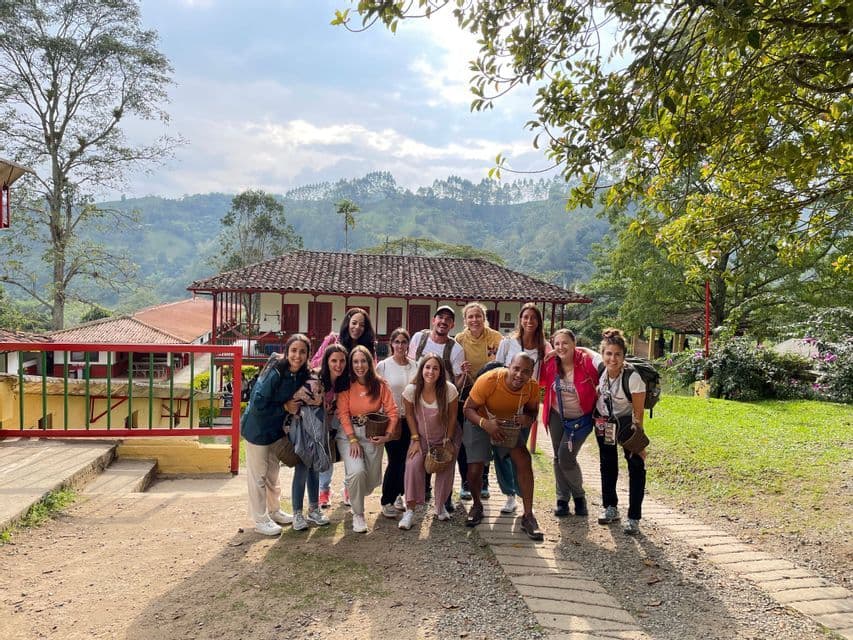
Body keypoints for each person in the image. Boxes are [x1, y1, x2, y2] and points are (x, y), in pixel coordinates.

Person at [462, 353, 544, 540]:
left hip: (506, 423)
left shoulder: (532, 387)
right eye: (516, 369)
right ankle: (476, 505)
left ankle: (528, 516)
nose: (519, 375)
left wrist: (527, 418)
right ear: (509, 366)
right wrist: (486, 424)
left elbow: (532, 411)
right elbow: (467, 409)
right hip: (480, 419)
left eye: (525, 372)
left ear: (531, 373)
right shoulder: (489, 380)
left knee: (524, 460)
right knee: (475, 467)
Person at [239, 334, 310, 536]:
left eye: (302, 351)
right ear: (287, 352)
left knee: (272, 474)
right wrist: (285, 407)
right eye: (293, 350)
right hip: (257, 429)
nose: (297, 355)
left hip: (274, 430)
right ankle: (261, 519)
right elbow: (258, 403)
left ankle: (274, 510)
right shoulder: (276, 372)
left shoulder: (301, 374)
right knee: (258, 475)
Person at [311, 307, 377, 506]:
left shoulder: (368, 348)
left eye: (362, 324)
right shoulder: (333, 340)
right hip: (327, 404)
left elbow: (371, 373)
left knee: (352, 448)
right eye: (354, 322)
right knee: (326, 447)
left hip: (353, 405)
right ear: (347, 322)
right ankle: (324, 490)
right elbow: (316, 363)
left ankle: (349, 488)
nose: (357, 327)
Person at [492, 303, 553, 515]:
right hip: (504, 400)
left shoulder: (544, 347)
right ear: (521, 319)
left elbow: (553, 367)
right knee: (500, 450)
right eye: (525, 317)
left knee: (518, 448)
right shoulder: (508, 343)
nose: (529, 321)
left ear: (539, 322)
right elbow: (497, 369)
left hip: (527, 402)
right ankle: (509, 494)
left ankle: (521, 491)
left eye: (533, 318)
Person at [336, 345, 399, 533]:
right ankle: (358, 514)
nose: (359, 365)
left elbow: (392, 412)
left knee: (370, 481)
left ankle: (351, 487)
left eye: (363, 361)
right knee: (357, 472)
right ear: (351, 364)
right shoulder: (346, 385)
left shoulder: (380, 385)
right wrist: (352, 439)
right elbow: (343, 414)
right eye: (355, 361)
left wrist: (387, 435)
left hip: (373, 432)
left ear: (370, 363)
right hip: (349, 435)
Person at [408, 305, 466, 512]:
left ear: (452, 325)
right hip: (419, 401)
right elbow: (411, 364)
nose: (443, 321)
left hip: (442, 405)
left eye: (448, 319)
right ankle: (419, 495)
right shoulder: (418, 339)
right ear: (433, 320)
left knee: (445, 453)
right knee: (419, 450)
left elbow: (458, 383)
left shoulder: (456, 349)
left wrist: (454, 387)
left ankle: (444, 499)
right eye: (440, 317)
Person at [540, 329, 600, 518]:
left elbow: (601, 363)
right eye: (557, 344)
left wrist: (582, 349)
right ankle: (562, 500)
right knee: (558, 457)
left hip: (581, 418)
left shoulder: (586, 362)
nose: (560, 347)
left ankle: (579, 497)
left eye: (565, 343)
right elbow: (540, 382)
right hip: (557, 414)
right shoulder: (550, 363)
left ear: (574, 344)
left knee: (566, 457)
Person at [595, 328, 648, 535]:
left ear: (624, 356)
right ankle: (610, 507)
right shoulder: (601, 370)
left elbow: (638, 412)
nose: (612, 358)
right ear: (603, 355)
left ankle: (634, 517)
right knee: (607, 464)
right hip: (604, 421)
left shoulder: (633, 378)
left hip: (627, 424)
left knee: (636, 465)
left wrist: (638, 442)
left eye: (617, 354)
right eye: (608, 353)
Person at [399, 354, 460, 530]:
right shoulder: (412, 390)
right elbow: (409, 414)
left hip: (445, 436)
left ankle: (439, 507)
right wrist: (415, 439)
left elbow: (453, 416)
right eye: (427, 367)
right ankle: (409, 511)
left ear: (441, 372)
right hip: (422, 437)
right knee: (413, 464)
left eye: (435, 368)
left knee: (445, 468)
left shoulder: (449, 390)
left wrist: (447, 439)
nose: (431, 371)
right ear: (421, 369)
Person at [453, 302, 502, 500]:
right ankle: (466, 481)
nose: (474, 320)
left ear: (484, 318)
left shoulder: (496, 338)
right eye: (470, 317)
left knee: (486, 437)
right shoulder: (459, 339)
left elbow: (501, 365)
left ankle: (484, 481)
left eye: (478, 316)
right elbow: (455, 366)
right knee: (465, 439)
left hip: (490, 395)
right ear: (465, 320)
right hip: (466, 394)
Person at [375, 328, 419, 518]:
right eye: (397, 342)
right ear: (391, 344)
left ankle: (400, 493)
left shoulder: (415, 366)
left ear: (408, 344)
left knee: (408, 460)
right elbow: (376, 393)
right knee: (395, 460)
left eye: (404, 342)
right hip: (391, 419)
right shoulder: (383, 366)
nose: (400, 345)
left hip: (411, 419)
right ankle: (387, 499)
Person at [287, 368, 331, 531]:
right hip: (300, 425)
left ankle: (314, 508)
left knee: (315, 468)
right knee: (302, 468)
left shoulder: (318, 376)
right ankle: (297, 512)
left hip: (317, 422)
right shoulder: (295, 377)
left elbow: (320, 399)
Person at [316, 343, 350, 509]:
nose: (338, 365)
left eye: (342, 361)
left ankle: (349, 488)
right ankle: (323, 491)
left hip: (340, 422)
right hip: (321, 423)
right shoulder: (318, 379)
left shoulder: (347, 381)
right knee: (326, 456)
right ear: (327, 361)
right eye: (334, 360)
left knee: (349, 454)